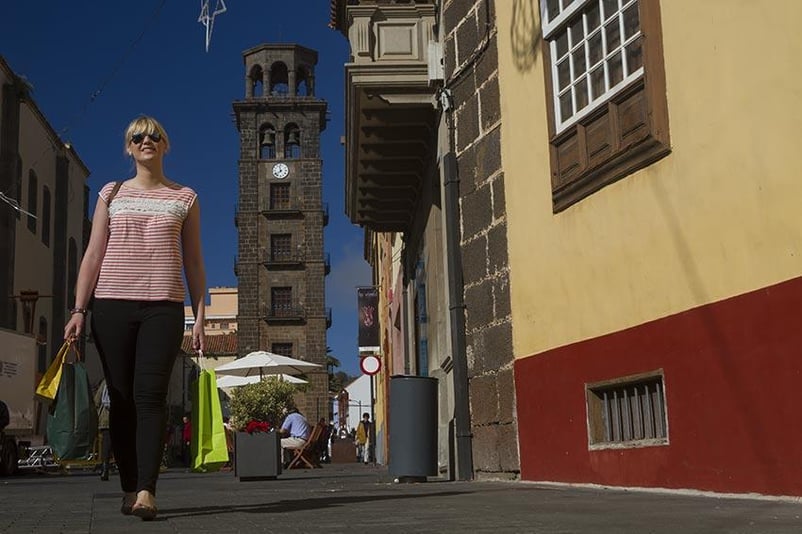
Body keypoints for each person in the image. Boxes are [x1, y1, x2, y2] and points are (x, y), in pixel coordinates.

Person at [63, 116, 207, 521]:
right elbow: (92, 255)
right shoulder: (112, 193)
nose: (147, 140)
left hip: (163, 306)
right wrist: (79, 310)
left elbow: (193, 261)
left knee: (150, 396)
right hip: (110, 306)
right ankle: (129, 487)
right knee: (121, 400)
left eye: (154, 135)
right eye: (137, 137)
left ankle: (147, 491)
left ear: (166, 145)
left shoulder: (185, 198)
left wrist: (199, 316)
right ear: (129, 148)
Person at [94, 380, 112, 481]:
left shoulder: (105, 382)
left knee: (106, 445)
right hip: (121, 418)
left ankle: (105, 468)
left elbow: (97, 400)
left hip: (106, 419)